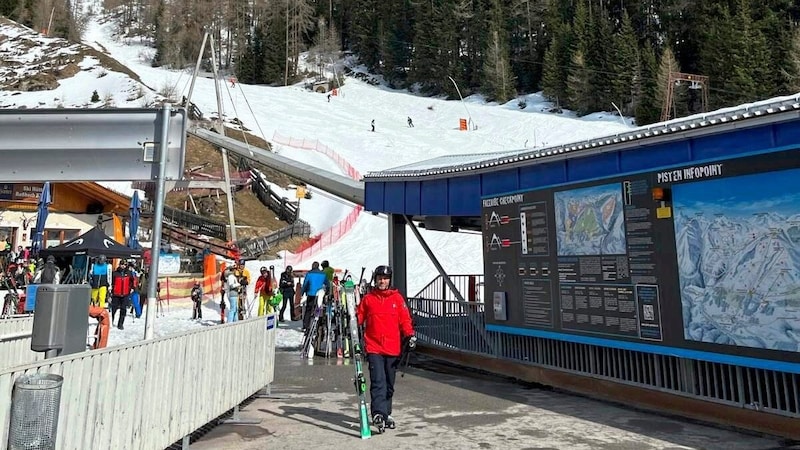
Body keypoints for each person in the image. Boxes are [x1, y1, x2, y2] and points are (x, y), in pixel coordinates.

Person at [357, 265, 415, 431]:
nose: (382, 281)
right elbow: (359, 315)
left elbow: (405, 319)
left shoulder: (397, 299)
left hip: (392, 347)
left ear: (389, 280)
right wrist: (353, 322)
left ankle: (386, 413)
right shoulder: (369, 299)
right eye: (380, 278)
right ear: (375, 280)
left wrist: (410, 335)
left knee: (389, 383)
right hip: (374, 346)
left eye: (385, 278)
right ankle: (378, 413)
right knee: (378, 381)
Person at [301, 261, 329, 331]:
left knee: (308, 310)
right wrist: (327, 292)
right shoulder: (323, 274)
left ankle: (306, 326)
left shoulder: (309, 274)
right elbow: (327, 284)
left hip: (310, 294)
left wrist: (302, 292)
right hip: (319, 294)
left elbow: (305, 284)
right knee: (318, 307)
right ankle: (317, 324)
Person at [110, 263, 135, 330]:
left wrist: (132, 288)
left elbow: (133, 281)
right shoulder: (115, 273)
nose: (123, 266)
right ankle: (111, 321)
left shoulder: (129, 273)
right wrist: (111, 289)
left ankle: (120, 324)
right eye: (122, 264)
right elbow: (111, 282)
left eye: (124, 264)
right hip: (116, 294)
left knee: (123, 309)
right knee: (113, 309)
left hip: (125, 294)